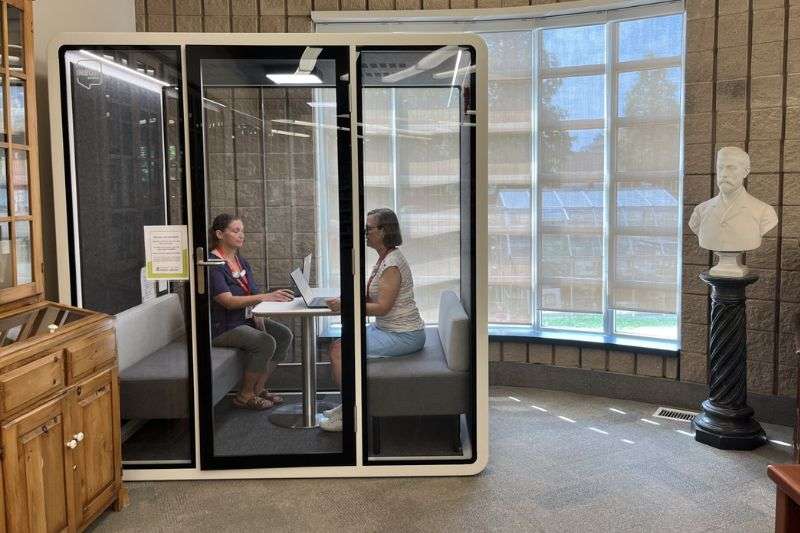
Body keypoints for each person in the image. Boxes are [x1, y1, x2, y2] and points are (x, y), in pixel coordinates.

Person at [321, 207, 426, 432]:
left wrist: (347, 306)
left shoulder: (392, 264)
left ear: (384, 231)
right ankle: (348, 404)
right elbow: (372, 297)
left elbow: (382, 308)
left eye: (368, 229)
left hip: (404, 335)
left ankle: (350, 414)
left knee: (339, 351)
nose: (364, 233)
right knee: (338, 344)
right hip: (387, 329)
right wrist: (345, 299)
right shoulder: (384, 259)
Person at [209, 213, 295, 410]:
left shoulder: (241, 262)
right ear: (220, 234)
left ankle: (258, 388)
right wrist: (265, 297)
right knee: (264, 341)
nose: (241, 235)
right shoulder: (213, 265)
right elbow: (228, 302)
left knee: (283, 335)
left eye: (242, 231)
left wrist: (272, 300)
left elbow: (253, 293)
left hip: (244, 320)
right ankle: (245, 395)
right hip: (221, 327)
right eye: (236, 231)